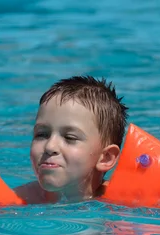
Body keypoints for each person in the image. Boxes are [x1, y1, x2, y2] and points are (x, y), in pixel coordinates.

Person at [14, 75, 128, 204]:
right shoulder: (19, 200)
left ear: (106, 157)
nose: (50, 146)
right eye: (42, 134)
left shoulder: (123, 204)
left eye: (69, 137)